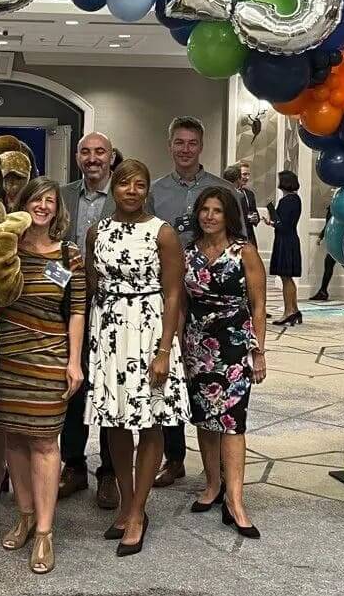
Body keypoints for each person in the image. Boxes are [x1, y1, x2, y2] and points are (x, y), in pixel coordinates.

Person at [85, 159, 190, 557]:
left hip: (149, 330)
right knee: (114, 422)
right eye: (125, 183)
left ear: (148, 190)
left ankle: (139, 510)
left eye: (140, 184)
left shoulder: (161, 233)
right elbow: (95, 285)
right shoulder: (98, 232)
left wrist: (165, 350)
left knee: (150, 421)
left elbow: (174, 294)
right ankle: (128, 504)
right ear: (114, 187)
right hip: (110, 332)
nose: (132, 190)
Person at [0, 177, 86, 574]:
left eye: (50, 201)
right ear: (23, 203)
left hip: (49, 359)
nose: (43, 206)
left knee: (46, 442)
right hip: (7, 358)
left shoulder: (69, 254)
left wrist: (74, 362)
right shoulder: (4, 249)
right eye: (36, 199)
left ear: (57, 209)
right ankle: (25, 515)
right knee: (13, 436)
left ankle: (45, 532)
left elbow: (78, 309)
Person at [147, 116, 241, 487]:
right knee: (170, 376)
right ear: (170, 145)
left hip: (213, 303)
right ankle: (174, 458)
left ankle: (217, 467)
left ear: (200, 147)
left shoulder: (222, 189)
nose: (185, 149)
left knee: (213, 383)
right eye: (179, 143)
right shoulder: (155, 191)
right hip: (167, 295)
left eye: (192, 143)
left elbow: (239, 242)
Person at [183, 187, 267, 538]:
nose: (210, 216)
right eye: (205, 209)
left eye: (217, 210)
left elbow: (259, 304)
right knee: (205, 418)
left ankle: (235, 499)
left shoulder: (244, 251)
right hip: (196, 345)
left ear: (228, 214)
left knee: (233, 422)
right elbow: (180, 302)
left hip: (234, 345)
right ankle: (213, 485)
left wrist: (259, 351)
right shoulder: (187, 254)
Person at [57, 132, 118, 509]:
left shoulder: (130, 194)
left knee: (110, 387)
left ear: (111, 157)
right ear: (77, 156)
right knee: (73, 387)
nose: (92, 158)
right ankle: (74, 466)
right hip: (69, 307)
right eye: (85, 152)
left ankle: (109, 471)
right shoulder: (62, 196)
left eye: (99, 152)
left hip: (115, 309)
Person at [0, 141, 37, 506]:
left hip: (28, 318)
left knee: (29, 404)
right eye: (6, 178)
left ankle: (31, 475)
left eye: (18, 178)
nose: (11, 185)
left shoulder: (39, 214)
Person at [269, 170, 303, 326]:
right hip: (291, 239)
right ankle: (294, 310)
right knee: (288, 277)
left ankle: (289, 311)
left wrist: (272, 222)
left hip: (285, 240)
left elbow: (283, 225)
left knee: (285, 277)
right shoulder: (296, 199)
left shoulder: (287, 201)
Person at [222, 162, 260, 246]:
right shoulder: (225, 194)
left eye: (248, 174)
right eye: (244, 174)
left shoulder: (250, 194)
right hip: (231, 239)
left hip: (249, 239)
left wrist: (255, 218)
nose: (247, 177)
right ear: (237, 177)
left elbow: (254, 212)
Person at [310, 201, 341, 302]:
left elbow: (329, 224)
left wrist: (321, 236)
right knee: (330, 264)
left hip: (337, 241)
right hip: (337, 240)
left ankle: (323, 291)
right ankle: (323, 291)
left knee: (331, 264)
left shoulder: (335, 208)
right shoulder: (336, 208)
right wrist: (321, 236)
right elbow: (329, 224)